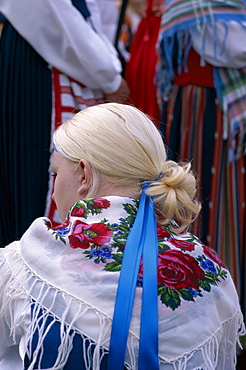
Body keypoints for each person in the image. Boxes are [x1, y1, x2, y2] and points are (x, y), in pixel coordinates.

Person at [0, 102, 245, 369]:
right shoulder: (209, 270)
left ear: (84, 174)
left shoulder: (32, 258)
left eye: (55, 173)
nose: (54, 190)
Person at [0, 0, 129, 246]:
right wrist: (110, 77)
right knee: (41, 183)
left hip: (64, 54)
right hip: (45, 56)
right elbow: (54, 11)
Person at [157, 0, 246, 315]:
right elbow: (226, 46)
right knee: (206, 201)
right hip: (208, 108)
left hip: (223, 107)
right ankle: (202, 303)